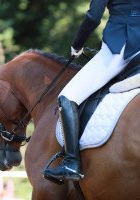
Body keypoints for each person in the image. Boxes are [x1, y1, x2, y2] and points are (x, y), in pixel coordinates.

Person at [44, 0, 140, 181]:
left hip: (120, 47)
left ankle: (71, 163)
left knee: (67, 97)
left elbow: (94, 17)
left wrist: (77, 44)